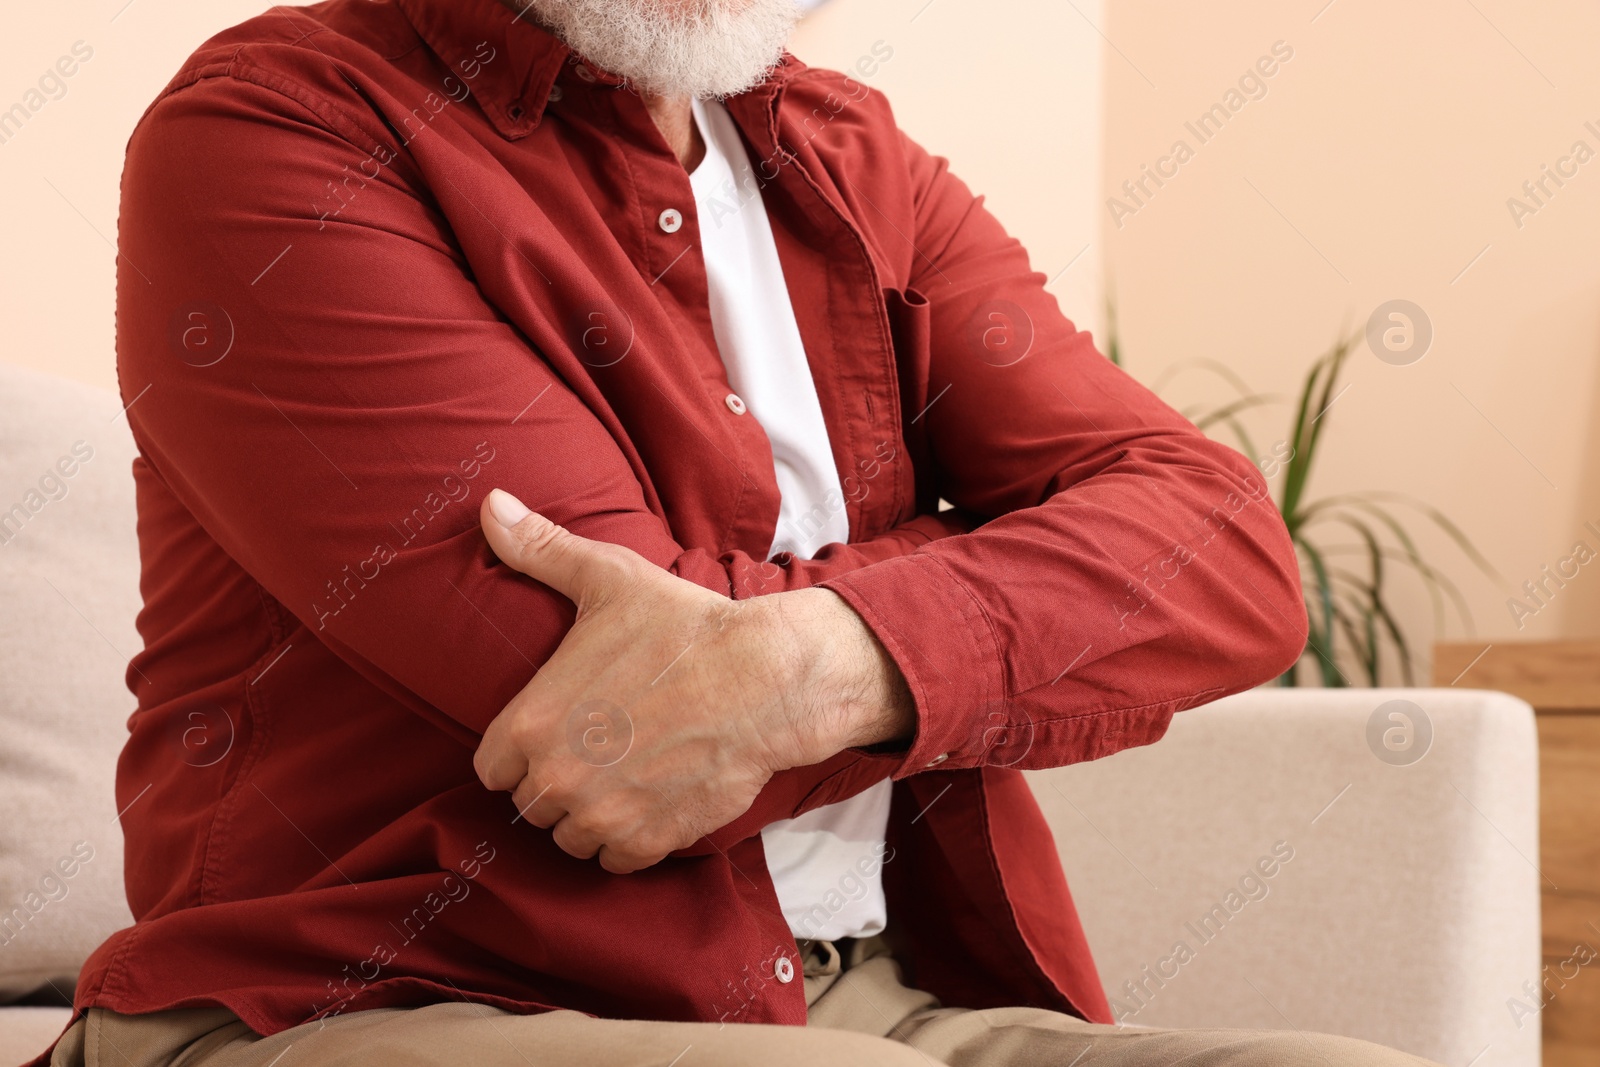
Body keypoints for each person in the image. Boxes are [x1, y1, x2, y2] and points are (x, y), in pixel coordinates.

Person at [43, 0, 1438, 1064]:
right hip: (379, 995)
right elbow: (609, 710)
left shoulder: (852, 158)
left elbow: (1225, 552)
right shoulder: (278, 131)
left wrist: (817, 657)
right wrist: (982, 571)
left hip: (860, 994)